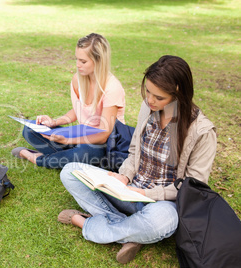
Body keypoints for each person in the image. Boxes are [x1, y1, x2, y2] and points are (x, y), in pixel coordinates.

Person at [58, 55, 217, 264]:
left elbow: (193, 189)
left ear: (179, 92)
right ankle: (130, 230)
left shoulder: (202, 132)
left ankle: (86, 224)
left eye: (158, 97)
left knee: (161, 223)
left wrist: (144, 193)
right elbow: (134, 151)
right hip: (129, 189)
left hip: (161, 203)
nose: (150, 100)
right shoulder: (148, 108)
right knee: (70, 172)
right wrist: (123, 177)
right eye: (147, 92)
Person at [12, 33, 125, 169]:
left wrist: (67, 140)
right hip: (81, 137)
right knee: (29, 130)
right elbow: (78, 111)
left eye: (83, 61)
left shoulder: (112, 87)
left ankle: (37, 158)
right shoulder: (78, 79)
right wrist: (55, 122)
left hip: (104, 144)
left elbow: (103, 134)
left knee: (86, 153)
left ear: (99, 61)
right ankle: (68, 157)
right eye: (77, 59)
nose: (78, 65)